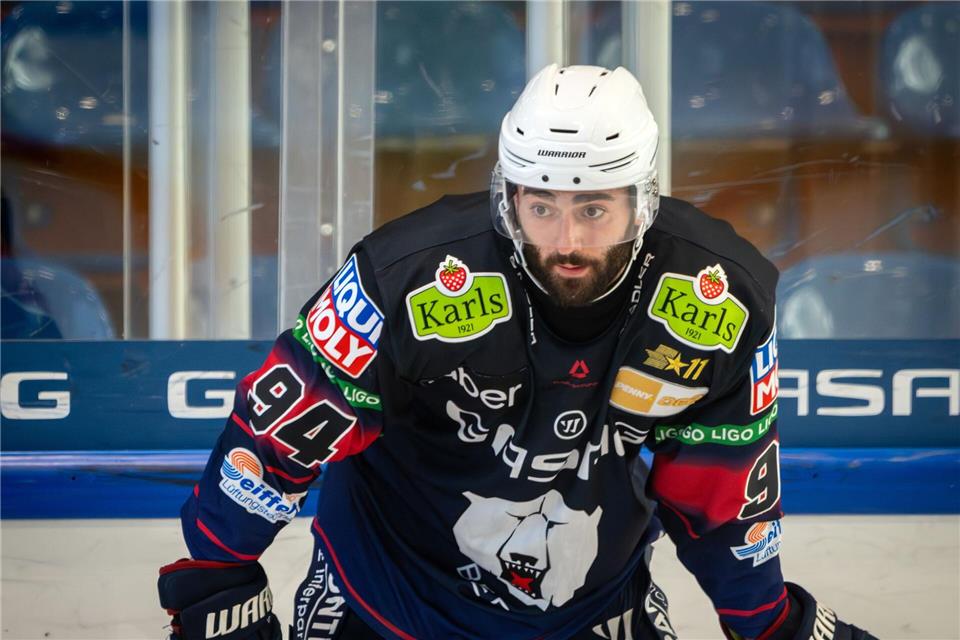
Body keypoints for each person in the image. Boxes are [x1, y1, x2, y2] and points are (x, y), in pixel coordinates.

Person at [158, 65, 877, 640]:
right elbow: (277, 432)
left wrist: (766, 621)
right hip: (384, 601)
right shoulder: (409, 277)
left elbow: (723, 489)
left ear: (643, 202)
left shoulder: (718, 299)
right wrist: (217, 576)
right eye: (542, 207)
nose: (567, 241)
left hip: (593, 608)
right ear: (508, 197)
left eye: (594, 208)